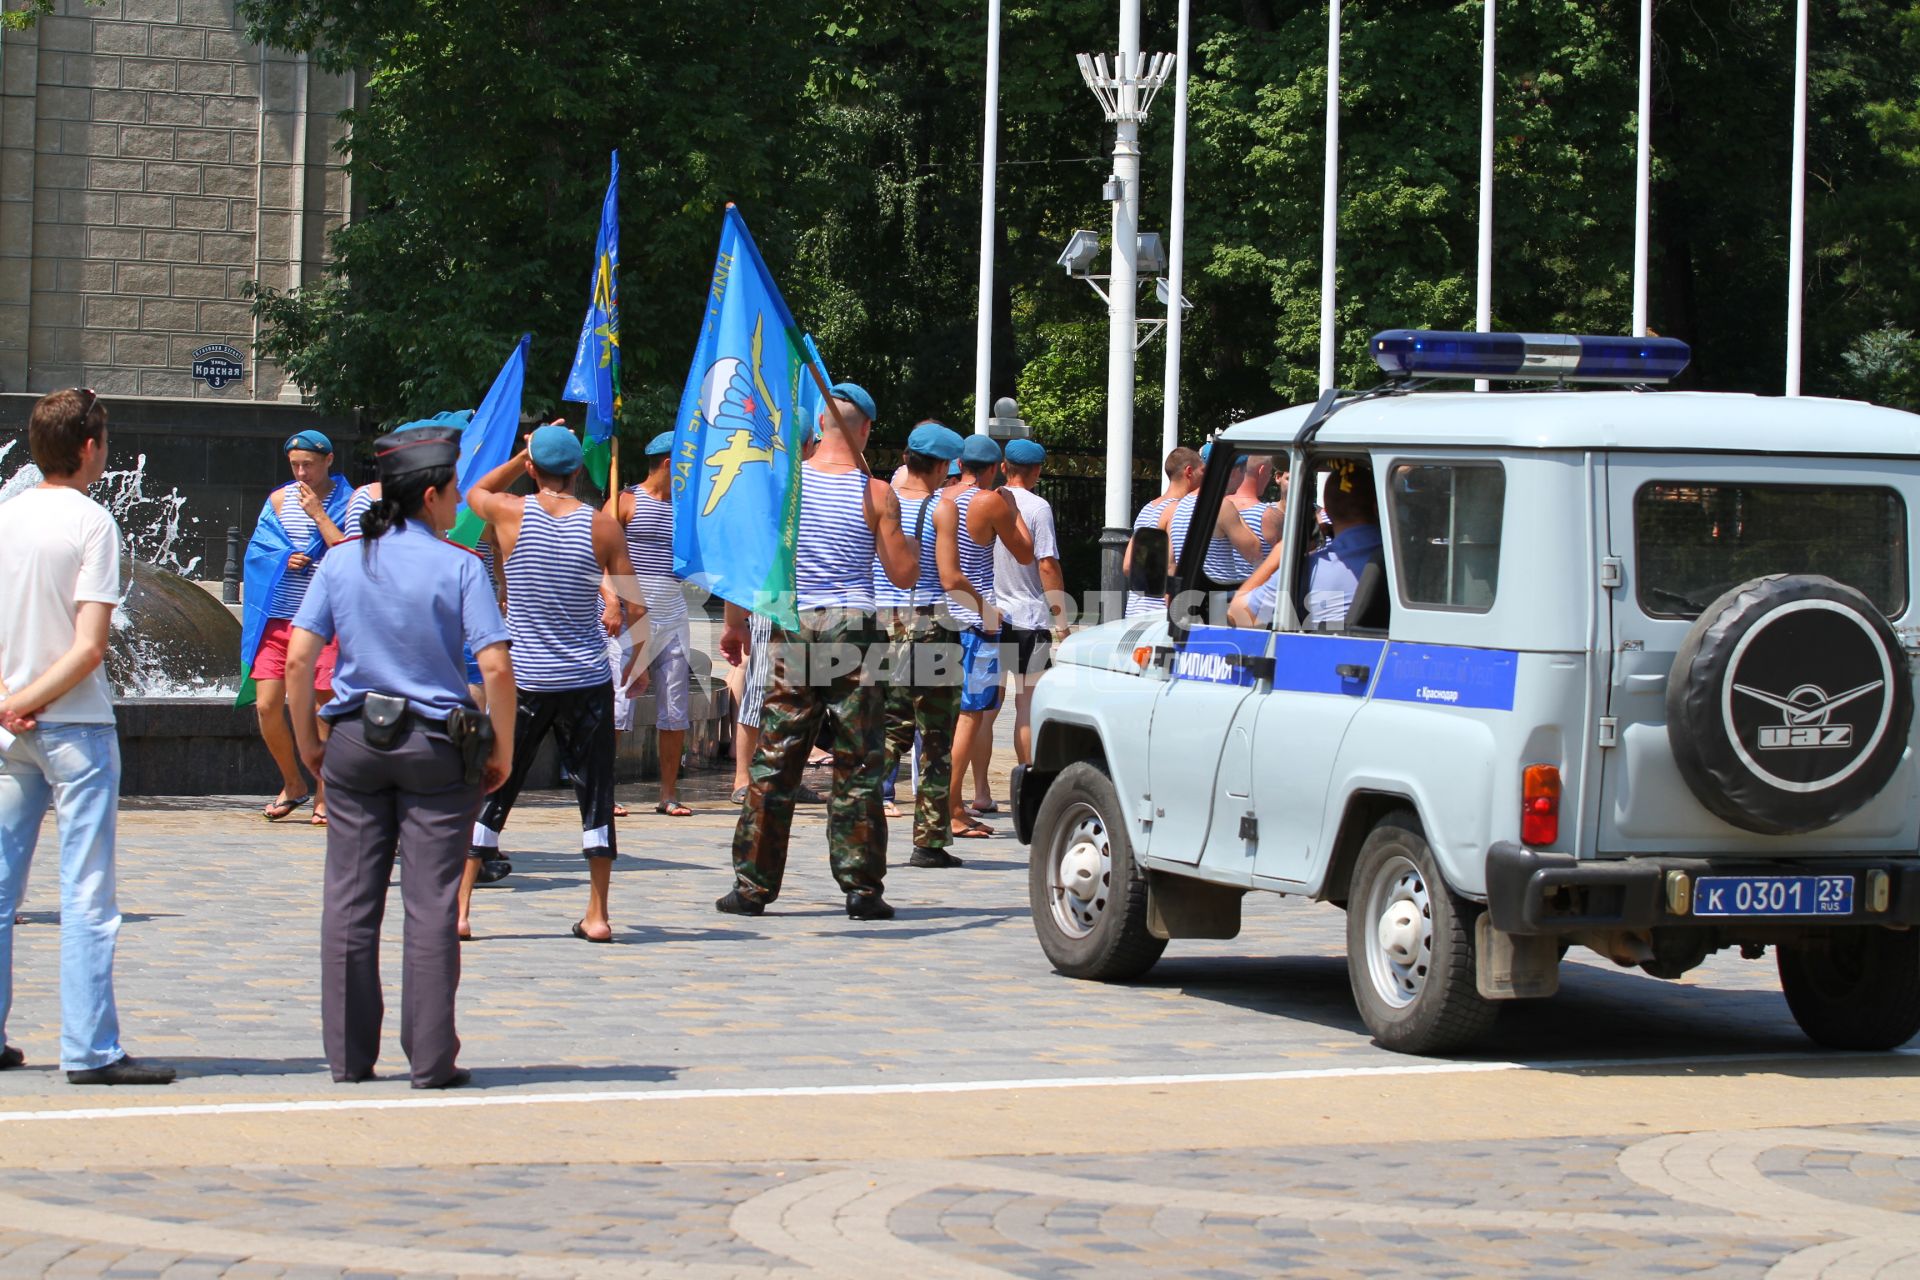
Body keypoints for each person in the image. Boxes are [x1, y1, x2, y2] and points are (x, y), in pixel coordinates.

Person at [285, 425, 514, 1089]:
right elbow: (495, 666)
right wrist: (501, 745)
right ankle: (431, 1060)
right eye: (452, 496)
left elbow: (301, 657)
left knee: (351, 901)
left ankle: (350, 1058)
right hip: (436, 746)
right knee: (431, 903)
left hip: (355, 741)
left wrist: (307, 741)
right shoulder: (461, 564)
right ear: (436, 494)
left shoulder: (342, 560)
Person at [0, 388, 174, 1085]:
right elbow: (90, 647)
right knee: (87, 891)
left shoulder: (5, 517)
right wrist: (30, 702)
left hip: (11, 730)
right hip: (73, 726)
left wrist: (8, 705)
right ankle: (90, 1048)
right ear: (90, 448)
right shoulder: (93, 522)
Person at [716, 382, 920, 919]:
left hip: (795, 621)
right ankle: (861, 888)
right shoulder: (876, 494)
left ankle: (752, 887)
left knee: (778, 754)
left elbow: (756, 564)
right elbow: (902, 573)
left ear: (821, 428)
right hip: (855, 625)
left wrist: (736, 624)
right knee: (859, 759)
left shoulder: (785, 487)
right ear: (866, 429)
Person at [460, 426, 647, 943]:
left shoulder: (508, 513)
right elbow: (633, 604)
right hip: (586, 679)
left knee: (495, 785)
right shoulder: (603, 526)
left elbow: (472, 489)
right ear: (578, 472)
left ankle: (461, 910)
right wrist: (642, 660)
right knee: (595, 794)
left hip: (526, 680)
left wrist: (522, 456)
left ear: (535, 469)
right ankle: (599, 914)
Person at [242, 429, 354, 826]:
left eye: (308, 464)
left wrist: (319, 516)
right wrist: (282, 558)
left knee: (326, 707)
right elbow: (257, 552)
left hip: (326, 621)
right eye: (295, 466)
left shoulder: (350, 501)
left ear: (329, 461)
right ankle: (293, 783)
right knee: (269, 705)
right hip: (280, 619)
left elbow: (350, 553)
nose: (301, 473)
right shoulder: (277, 500)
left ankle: (326, 792)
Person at [873, 422, 968, 868]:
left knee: (887, 731)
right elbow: (949, 577)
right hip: (929, 626)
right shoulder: (940, 509)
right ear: (944, 466)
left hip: (880, 625)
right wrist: (986, 612)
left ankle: (859, 822)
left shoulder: (878, 498)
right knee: (934, 737)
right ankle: (928, 841)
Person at [944, 434, 1033, 840]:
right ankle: (953, 806)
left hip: (940, 618)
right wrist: (1012, 508)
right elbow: (1026, 551)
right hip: (978, 622)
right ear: (996, 467)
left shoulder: (941, 499)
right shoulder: (989, 501)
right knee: (970, 715)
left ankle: (944, 804)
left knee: (938, 716)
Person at [613, 432, 694, 817]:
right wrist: (612, 600)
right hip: (630, 616)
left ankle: (668, 793)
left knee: (675, 707)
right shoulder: (626, 501)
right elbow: (597, 555)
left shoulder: (686, 508)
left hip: (673, 614)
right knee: (617, 707)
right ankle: (605, 793)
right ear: (668, 463)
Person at [988, 438, 1067, 774]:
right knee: (1027, 703)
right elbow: (1047, 564)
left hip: (991, 616)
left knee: (986, 707)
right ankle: (1029, 780)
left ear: (1004, 467)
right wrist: (1061, 620)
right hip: (1028, 619)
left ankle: (979, 789)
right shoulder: (1037, 508)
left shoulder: (985, 502)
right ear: (1036, 471)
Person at [1233, 462, 1379, 629]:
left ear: (1327, 511)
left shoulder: (1307, 569)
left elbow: (1238, 615)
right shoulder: (1404, 559)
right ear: (1377, 507)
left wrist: (1279, 555)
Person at [1124, 446, 1200, 618]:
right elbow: (1170, 564)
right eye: (1202, 471)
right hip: (1160, 613)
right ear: (1189, 472)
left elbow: (1128, 565)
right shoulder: (1179, 510)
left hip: (1135, 609)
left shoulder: (1148, 508)